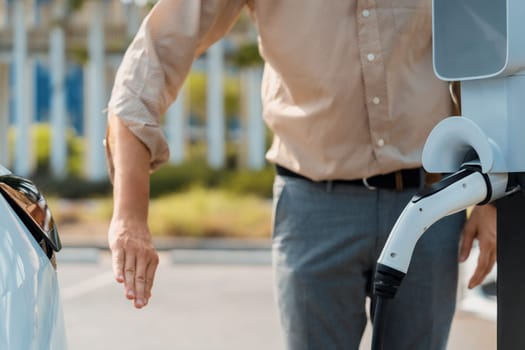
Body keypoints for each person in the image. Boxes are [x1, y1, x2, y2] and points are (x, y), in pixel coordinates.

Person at [105, 1, 496, 349]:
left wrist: (491, 193)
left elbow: (488, 60)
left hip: (429, 208)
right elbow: (150, 63)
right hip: (313, 210)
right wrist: (129, 215)